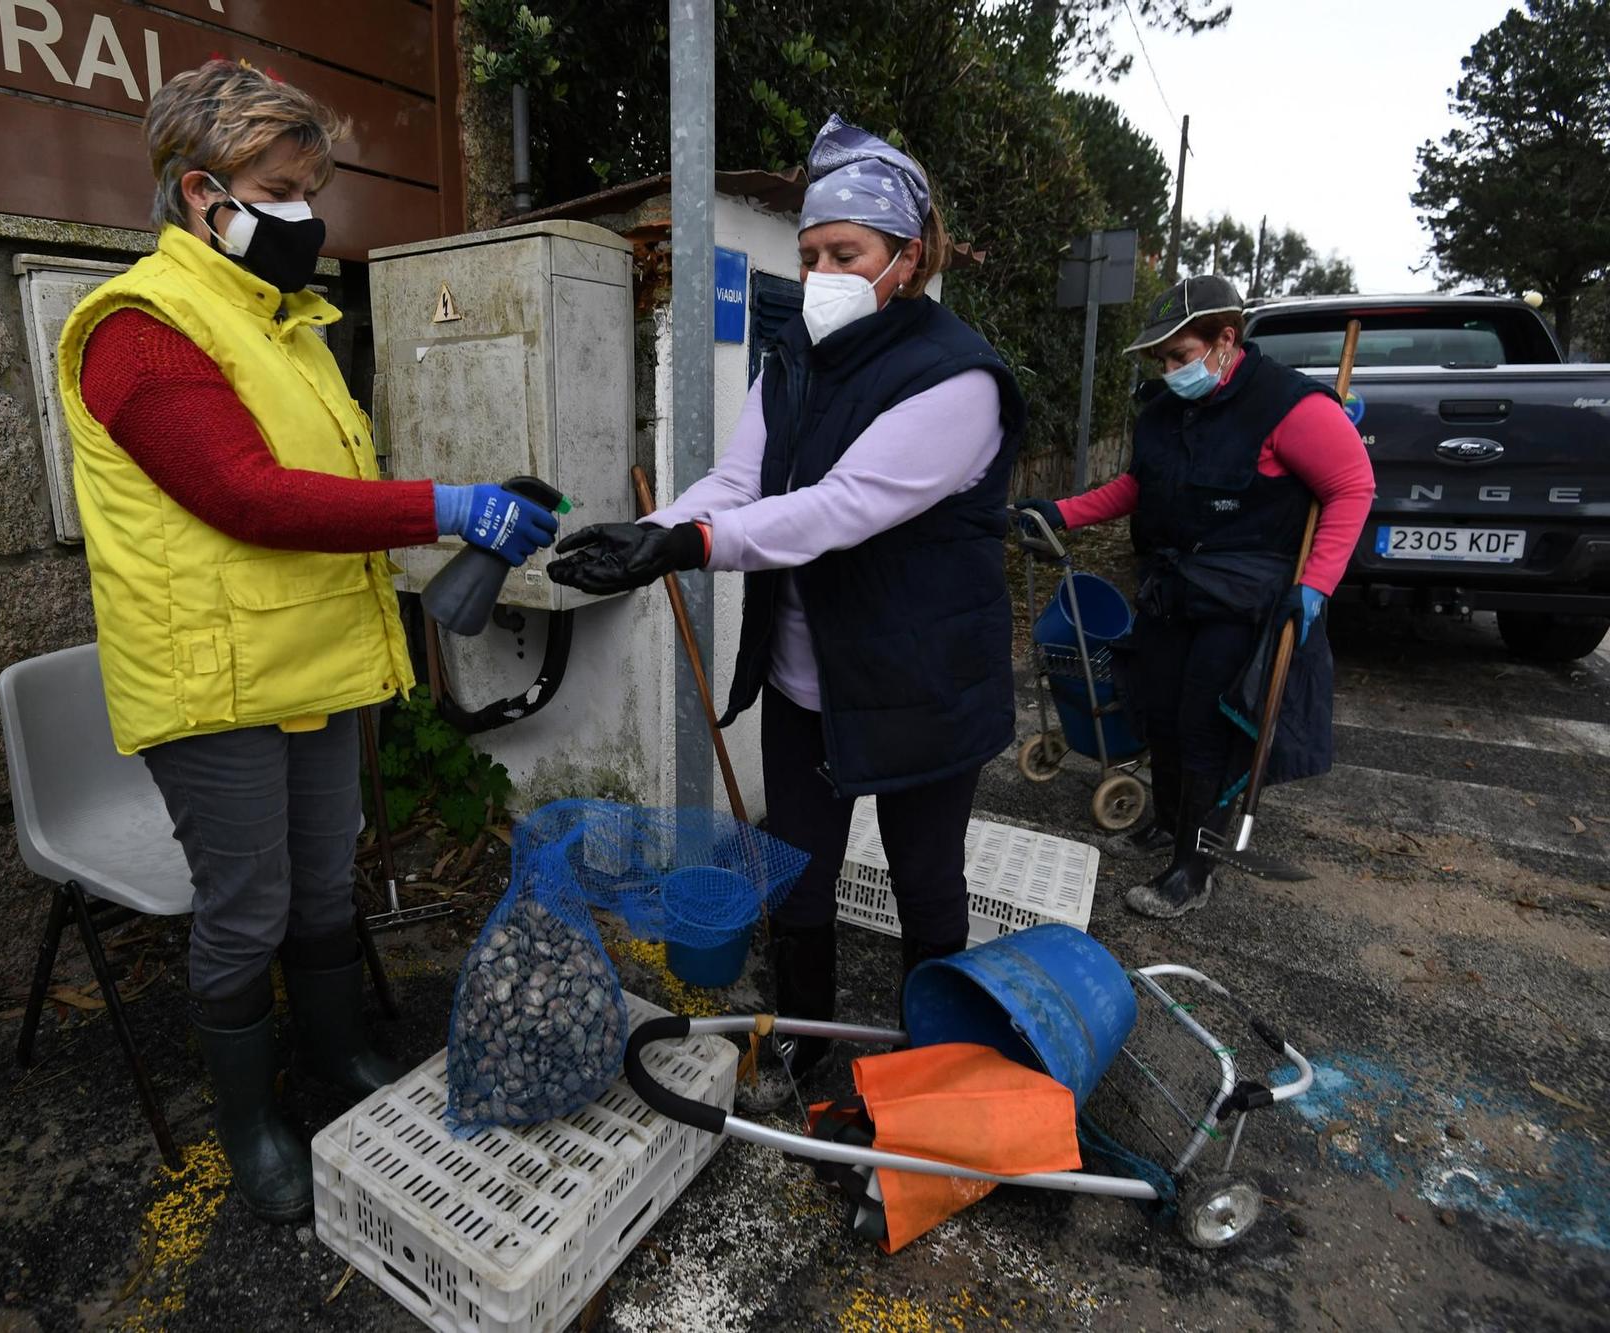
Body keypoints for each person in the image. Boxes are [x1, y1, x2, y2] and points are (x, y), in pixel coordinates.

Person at [56, 60, 558, 1222]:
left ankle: (334, 1059)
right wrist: (448, 506)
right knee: (246, 908)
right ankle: (251, 1124)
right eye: (282, 187)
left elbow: (321, 497)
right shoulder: (138, 329)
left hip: (320, 662)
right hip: (215, 681)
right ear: (202, 196)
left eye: (309, 187)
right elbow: (249, 498)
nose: (306, 214)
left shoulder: (288, 326)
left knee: (324, 882)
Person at [549, 115, 1026, 1112]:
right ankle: (808, 1057)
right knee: (798, 878)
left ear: (909, 255)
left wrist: (689, 547)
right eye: (808, 255)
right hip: (808, 680)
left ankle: (933, 1065)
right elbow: (735, 478)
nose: (819, 273)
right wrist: (648, 531)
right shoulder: (795, 361)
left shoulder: (958, 380)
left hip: (923, 688)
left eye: (843, 253)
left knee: (924, 882)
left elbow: (839, 511)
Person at [1017, 274, 1374, 919]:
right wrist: (1063, 513)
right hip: (1173, 585)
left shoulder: (1292, 408)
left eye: (1181, 355)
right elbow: (1139, 487)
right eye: (1164, 359)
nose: (1170, 369)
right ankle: (1168, 822)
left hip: (1244, 594)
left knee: (1202, 725)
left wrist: (1313, 587)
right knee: (1157, 711)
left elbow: (1351, 489)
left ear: (1225, 342)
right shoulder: (1164, 411)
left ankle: (1193, 865)